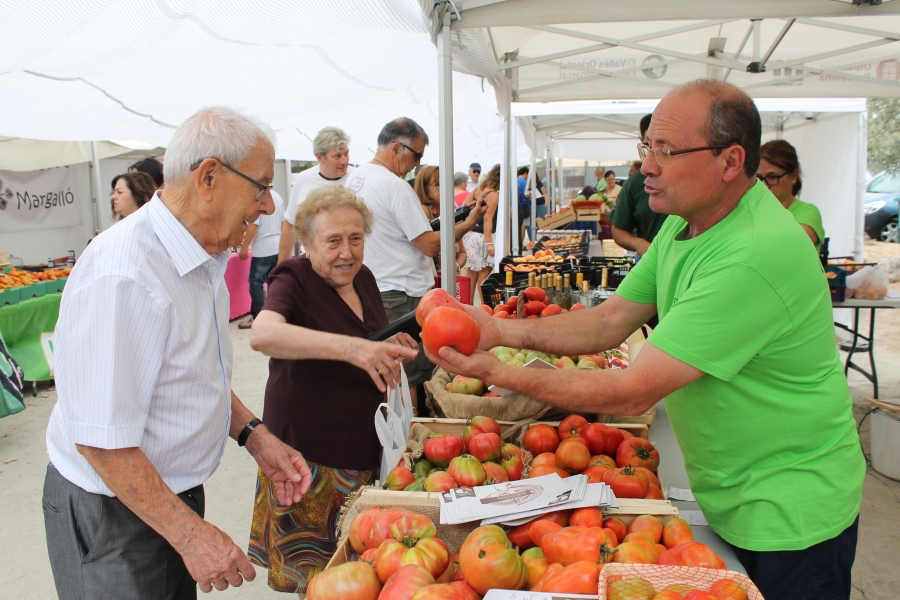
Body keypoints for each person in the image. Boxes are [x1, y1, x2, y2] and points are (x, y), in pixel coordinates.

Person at [425, 80, 864, 600]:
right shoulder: (687, 226)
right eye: (646, 148)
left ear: (730, 161)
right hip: (740, 491)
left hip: (792, 509)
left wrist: (494, 371)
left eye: (666, 151)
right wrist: (498, 331)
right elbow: (608, 321)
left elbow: (634, 389)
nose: (646, 167)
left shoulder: (753, 253)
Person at [43, 107, 314, 599]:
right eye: (260, 186)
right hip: (115, 512)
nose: (269, 206)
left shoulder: (201, 254)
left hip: (160, 498)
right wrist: (191, 535)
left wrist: (254, 436)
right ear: (208, 176)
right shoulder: (124, 276)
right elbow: (101, 440)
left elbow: (190, 373)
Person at [247, 185, 418, 593]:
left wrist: (388, 348)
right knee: (318, 581)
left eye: (356, 239)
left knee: (358, 576)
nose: (347, 252)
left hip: (364, 450)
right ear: (307, 242)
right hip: (311, 462)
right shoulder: (294, 278)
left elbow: (367, 339)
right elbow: (263, 334)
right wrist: (355, 349)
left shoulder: (365, 279)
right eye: (333, 241)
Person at [345, 117, 485, 398]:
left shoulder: (356, 178)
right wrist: (469, 224)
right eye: (417, 155)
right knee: (407, 374)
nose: (417, 163)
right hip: (401, 292)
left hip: (374, 288)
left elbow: (398, 233)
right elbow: (429, 245)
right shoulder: (394, 186)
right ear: (397, 148)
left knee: (387, 369)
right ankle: (409, 434)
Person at [278, 126, 353, 263]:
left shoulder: (356, 178)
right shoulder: (303, 179)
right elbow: (289, 225)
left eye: (346, 154)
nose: (344, 161)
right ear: (319, 157)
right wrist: (280, 268)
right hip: (313, 263)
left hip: (347, 261)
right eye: (337, 156)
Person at [759, 139, 824, 247]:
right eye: (759, 178)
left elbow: (790, 243)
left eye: (772, 177)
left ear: (794, 176)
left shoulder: (808, 212)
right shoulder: (754, 211)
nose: (764, 185)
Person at [237, 190, 285, 329]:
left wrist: (245, 246)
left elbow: (254, 224)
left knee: (256, 283)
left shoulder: (259, 198)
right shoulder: (277, 196)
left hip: (263, 247)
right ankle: (275, 313)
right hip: (276, 245)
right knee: (273, 282)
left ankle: (258, 316)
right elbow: (283, 222)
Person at [461, 164, 500, 304]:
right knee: (485, 274)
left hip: (471, 235)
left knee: (472, 274)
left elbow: (464, 205)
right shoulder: (494, 195)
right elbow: (488, 220)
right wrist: (490, 243)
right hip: (483, 237)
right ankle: (485, 308)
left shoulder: (479, 189)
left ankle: (469, 307)